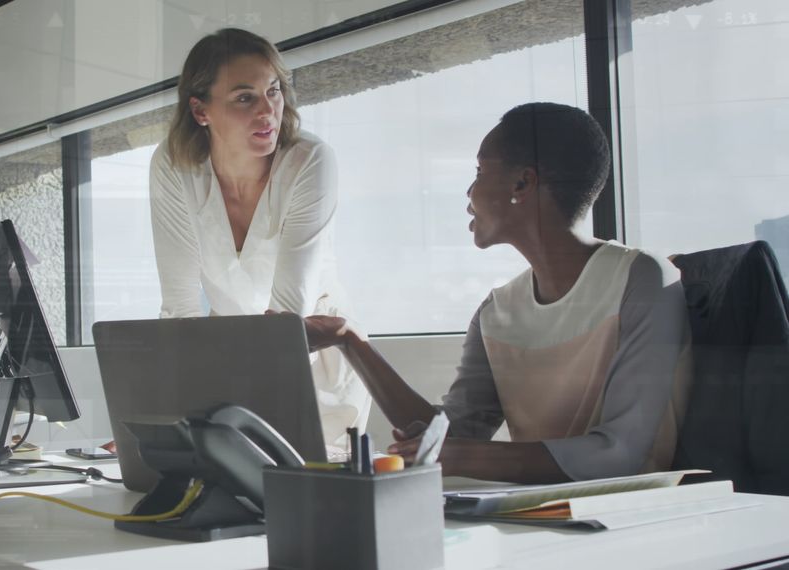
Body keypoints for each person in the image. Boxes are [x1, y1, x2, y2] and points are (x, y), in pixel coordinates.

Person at [305, 102, 692, 483]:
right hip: (541, 518)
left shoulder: (641, 280)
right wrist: (349, 340)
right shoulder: (496, 311)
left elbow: (621, 453)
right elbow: (452, 437)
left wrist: (459, 455)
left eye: (479, 170)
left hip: (639, 522)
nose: (469, 191)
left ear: (522, 183)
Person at [150, 28, 370, 450]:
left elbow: (290, 316)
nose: (268, 111)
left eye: (273, 91)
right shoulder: (173, 165)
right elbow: (178, 307)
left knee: (310, 496)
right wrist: (171, 417)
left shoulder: (309, 160)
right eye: (244, 97)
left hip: (314, 359)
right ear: (200, 111)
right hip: (227, 355)